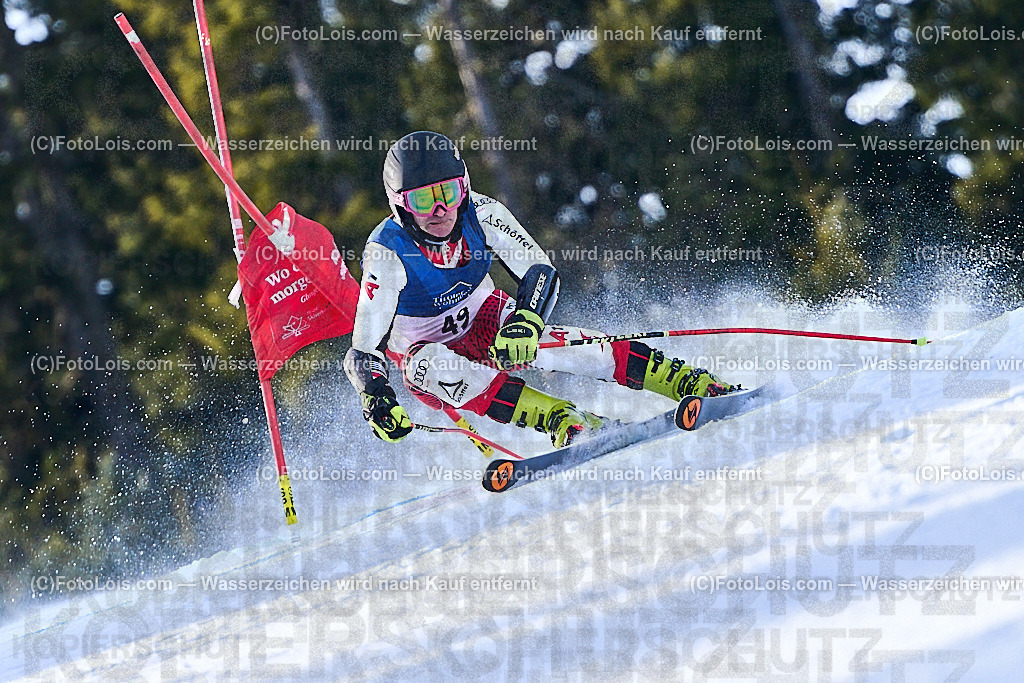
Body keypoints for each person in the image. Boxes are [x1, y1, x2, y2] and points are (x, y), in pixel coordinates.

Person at [343, 131, 737, 447]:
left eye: (447, 193)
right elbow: (363, 351)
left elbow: (539, 270)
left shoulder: (482, 213)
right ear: (399, 205)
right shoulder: (387, 252)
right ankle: (562, 419)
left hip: (484, 320)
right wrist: (377, 399)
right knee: (429, 364)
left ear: (463, 188)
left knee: (553, 344)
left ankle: (687, 381)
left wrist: (527, 321)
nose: (440, 210)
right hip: (425, 356)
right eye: (423, 200)